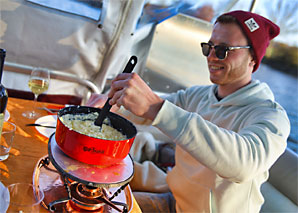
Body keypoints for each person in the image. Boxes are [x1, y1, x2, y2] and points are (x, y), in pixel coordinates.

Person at [86, 10, 290, 212]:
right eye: (208, 48)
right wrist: (113, 103)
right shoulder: (197, 96)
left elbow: (244, 164)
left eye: (223, 50)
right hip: (175, 202)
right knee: (97, 207)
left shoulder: (270, 116)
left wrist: (156, 108)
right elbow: (146, 110)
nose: (211, 57)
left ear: (252, 58)